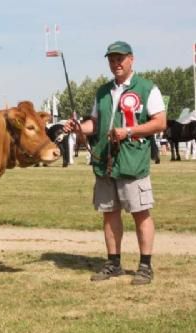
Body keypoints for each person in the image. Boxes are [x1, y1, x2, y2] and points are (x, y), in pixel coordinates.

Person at [64, 41, 166, 285]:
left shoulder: (147, 88)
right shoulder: (102, 92)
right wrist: (78, 128)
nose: (116, 63)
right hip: (105, 161)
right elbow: (94, 125)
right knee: (109, 214)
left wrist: (128, 131)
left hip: (132, 160)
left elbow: (160, 123)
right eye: (111, 59)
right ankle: (113, 263)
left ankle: (145, 266)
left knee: (141, 213)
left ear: (131, 59)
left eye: (120, 58)